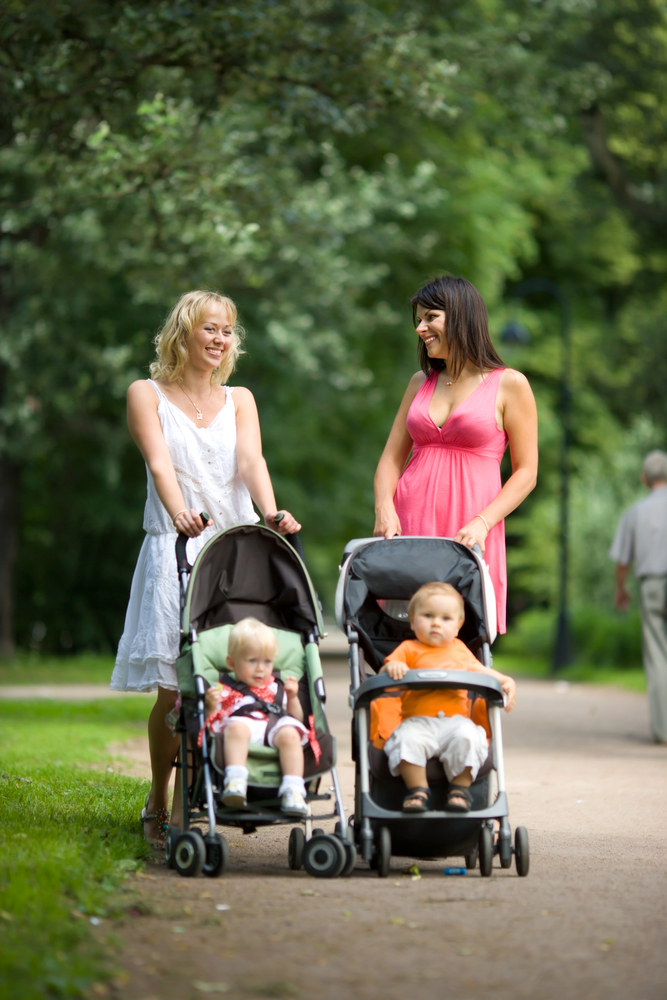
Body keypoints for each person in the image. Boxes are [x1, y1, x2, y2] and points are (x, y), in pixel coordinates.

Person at [110, 290, 301, 845]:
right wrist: (179, 515)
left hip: (235, 548)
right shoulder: (146, 394)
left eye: (227, 331)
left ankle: (220, 786)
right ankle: (160, 797)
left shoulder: (240, 398)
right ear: (184, 333)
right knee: (174, 690)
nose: (220, 340)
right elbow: (159, 462)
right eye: (209, 329)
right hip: (177, 545)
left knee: (230, 674)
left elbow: (251, 461)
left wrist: (271, 513)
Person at [373, 275, 538, 634]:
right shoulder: (421, 382)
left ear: (461, 316)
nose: (420, 327)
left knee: (461, 636)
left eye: (430, 317)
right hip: (410, 525)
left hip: (470, 528)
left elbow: (526, 473)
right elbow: (390, 459)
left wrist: (483, 521)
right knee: (404, 638)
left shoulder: (509, 383)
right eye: (418, 319)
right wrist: (384, 508)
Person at [381, 582, 517, 812]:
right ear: (412, 621)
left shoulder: (460, 651)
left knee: (469, 737)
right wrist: (392, 667)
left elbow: (484, 673)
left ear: (458, 626)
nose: (436, 622)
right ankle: (417, 790)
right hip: (417, 721)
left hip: (455, 722)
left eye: (446, 618)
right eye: (427, 615)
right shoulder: (408, 649)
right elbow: (385, 672)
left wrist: (505, 681)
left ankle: (460, 790)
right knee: (406, 741)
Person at [203, 618, 309, 816]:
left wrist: (293, 697)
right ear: (231, 663)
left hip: (273, 726)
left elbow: (296, 718)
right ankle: (235, 781)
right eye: (252, 661)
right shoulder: (223, 689)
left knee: (291, 734)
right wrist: (210, 706)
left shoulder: (276, 687)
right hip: (243, 726)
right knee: (235, 728)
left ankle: (293, 790)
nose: (260, 668)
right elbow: (212, 726)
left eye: (267, 662)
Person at [609, 450, 667, 745]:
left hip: (651, 585)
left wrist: (621, 589)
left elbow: (622, 561)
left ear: (644, 479)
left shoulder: (635, 512)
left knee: (657, 654)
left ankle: (663, 730)